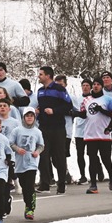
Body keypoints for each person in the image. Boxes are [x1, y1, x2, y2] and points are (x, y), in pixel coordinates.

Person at [75, 77, 112, 193]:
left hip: (103, 135)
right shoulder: (86, 100)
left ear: (102, 86)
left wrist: (102, 112)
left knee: (105, 159)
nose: (95, 86)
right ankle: (93, 185)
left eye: (98, 84)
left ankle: (111, 177)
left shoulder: (107, 99)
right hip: (90, 134)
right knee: (92, 159)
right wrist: (75, 113)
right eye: (94, 84)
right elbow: (84, 114)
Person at [36, 66, 72, 194]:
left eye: (41, 74)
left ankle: (61, 183)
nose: (39, 76)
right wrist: (38, 112)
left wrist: (54, 111)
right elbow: (42, 106)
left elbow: (68, 105)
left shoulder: (59, 89)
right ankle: (45, 183)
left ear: (48, 75)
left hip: (57, 128)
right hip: (44, 127)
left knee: (59, 157)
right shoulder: (40, 91)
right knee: (43, 155)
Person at [9, 108, 44, 220]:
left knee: (30, 185)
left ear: (34, 118)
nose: (29, 118)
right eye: (27, 116)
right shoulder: (17, 130)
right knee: (25, 187)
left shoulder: (37, 132)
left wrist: (37, 152)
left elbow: (41, 145)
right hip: (20, 162)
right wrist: (18, 149)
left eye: (31, 116)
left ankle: (30, 208)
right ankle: (27, 203)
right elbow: (11, 143)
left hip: (32, 162)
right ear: (23, 118)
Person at [73, 79, 93, 185]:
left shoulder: (93, 99)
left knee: (92, 154)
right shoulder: (77, 99)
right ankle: (83, 175)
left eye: (87, 85)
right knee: (80, 154)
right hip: (79, 130)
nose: (85, 87)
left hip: (90, 130)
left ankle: (95, 173)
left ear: (90, 87)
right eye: (83, 85)